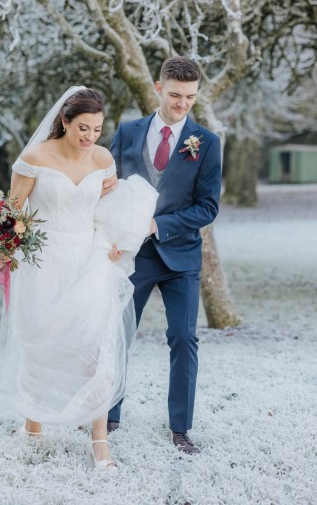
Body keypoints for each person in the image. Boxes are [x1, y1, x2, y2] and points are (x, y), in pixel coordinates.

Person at [0, 87, 158, 471]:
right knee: (41, 341)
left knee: (98, 349)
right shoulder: (33, 158)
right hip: (43, 264)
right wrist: (2, 245)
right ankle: (33, 422)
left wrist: (117, 240)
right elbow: (11, 214)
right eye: (83, 127)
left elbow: (106, 209)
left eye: (97, 130)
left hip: (91, 260)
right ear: (65, 121)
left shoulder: (102, 159)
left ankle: (99, 442)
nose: (89, 137)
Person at [107, 57, 222, 454]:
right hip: (131, 257)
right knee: (117, 335)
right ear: (158, 87)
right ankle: (108, 417)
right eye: (175, 95)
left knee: (184, 338)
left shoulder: (206, 143)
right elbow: (108, 186)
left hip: (181, 260)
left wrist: (160, 225)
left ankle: (180, 428)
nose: (182, 103)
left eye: (190, 97)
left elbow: (208, 207)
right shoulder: (127, 132)